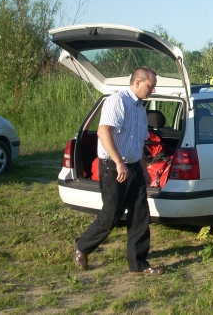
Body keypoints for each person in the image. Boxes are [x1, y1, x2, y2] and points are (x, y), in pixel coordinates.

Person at [73, 66, 164, 275]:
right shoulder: (117, 101)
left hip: (133, 167)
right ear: (138, 82)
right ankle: (82, 246)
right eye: (151, 86)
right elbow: (104, 132)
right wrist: (118, 162)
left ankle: (138, 263)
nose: (153, 91)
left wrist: (143, 170)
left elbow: (139, 143)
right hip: (114, 168)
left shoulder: (141, 109)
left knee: (141, 214)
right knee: (111, 216)